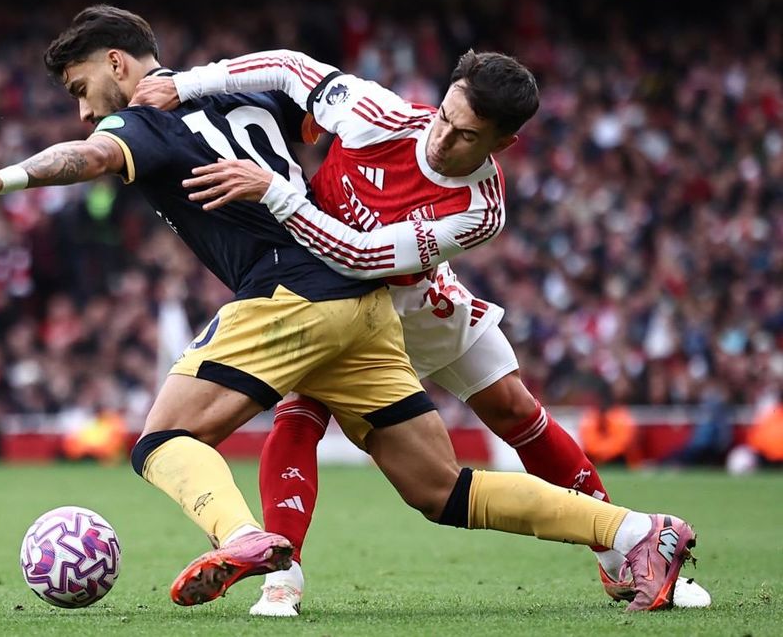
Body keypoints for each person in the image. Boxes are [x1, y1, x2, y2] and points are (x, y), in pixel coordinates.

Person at [0, 5, 697, 613]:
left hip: (307, 286)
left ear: (118, 64)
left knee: (163, 436)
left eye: (80, 88)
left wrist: (3, 180)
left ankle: (247, 540)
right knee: (443, 490)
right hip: (366, 308)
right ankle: (638, 531)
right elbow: (293, 72)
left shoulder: (137, 121)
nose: (81, 108)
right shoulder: (254, 92)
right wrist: (201, 89)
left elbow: (91, 156)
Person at [132, 48, 709, 613]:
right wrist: (186, 86)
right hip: (329, 292)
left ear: (502, 143)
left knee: (512, 410)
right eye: (444, 117)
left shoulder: (480, 208)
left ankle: (620, 550)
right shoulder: (377, 114)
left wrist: (275, 191)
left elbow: (361, 255)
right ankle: (283, 580)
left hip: (414, 298)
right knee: (301, 409)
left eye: (466, 135)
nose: (442, 137)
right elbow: (290, 68)